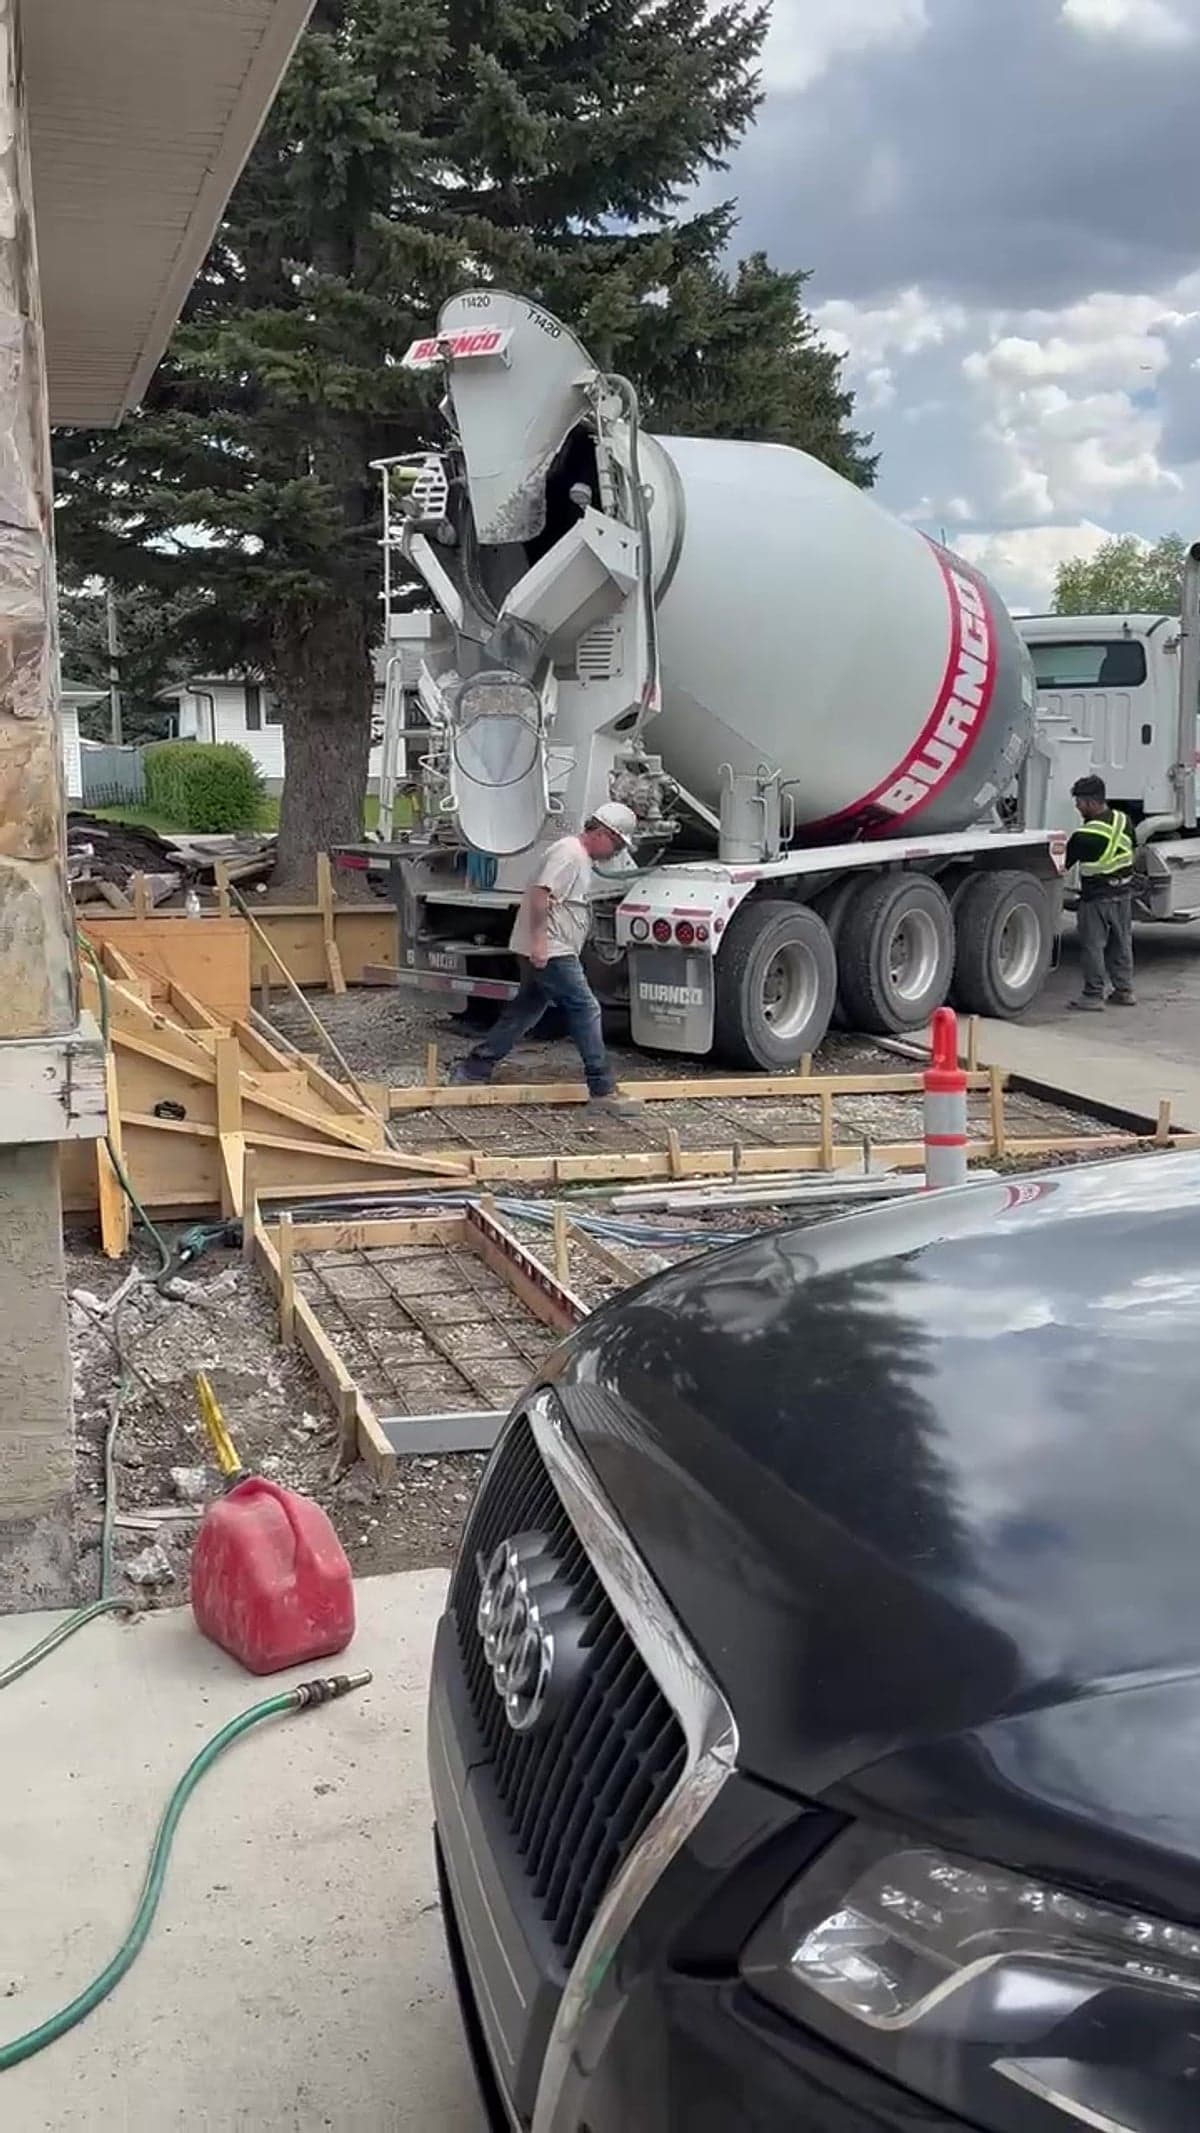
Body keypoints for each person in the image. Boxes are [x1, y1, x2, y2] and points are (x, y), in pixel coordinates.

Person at [451, 802, 643, 1115]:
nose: (616, 851)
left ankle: (473, 1070)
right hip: (551, 949)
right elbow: (541, 894)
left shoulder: (574, 855)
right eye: (617, 843)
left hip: (549, 947)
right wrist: (540, 943)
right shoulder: (569, 854)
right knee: (586, 1008)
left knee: (525, 1010)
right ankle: (602, 1088)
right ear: (603, 833)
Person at [1065, 774, 1136, 1011]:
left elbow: (1063, 864)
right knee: (1122, 942)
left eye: (1080, 803)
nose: (1077, 807)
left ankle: (1093, 995)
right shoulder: (1124, 820)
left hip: (1096, 898)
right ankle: (1124, 990)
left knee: (1093, 945)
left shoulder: (1084, 836)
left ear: (1092, 803)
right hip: (1124, 893)